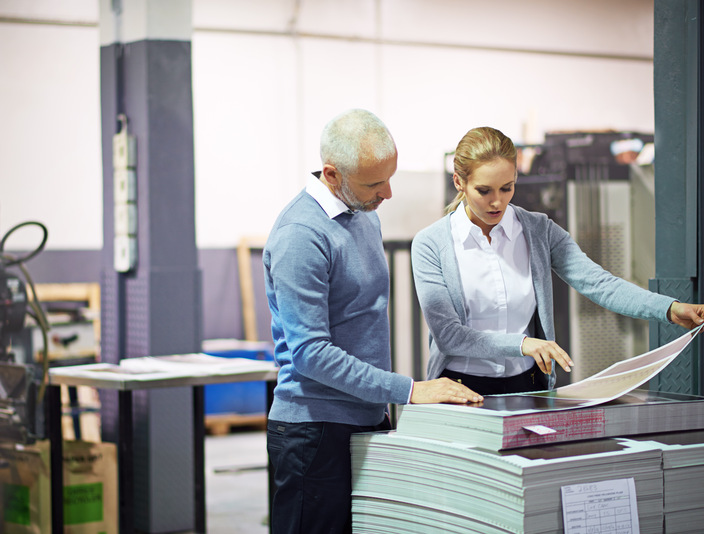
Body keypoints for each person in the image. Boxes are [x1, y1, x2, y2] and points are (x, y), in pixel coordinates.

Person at [262, 109, 483, 534]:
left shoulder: (362, 211)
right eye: (374, 183)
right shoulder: (300, 236)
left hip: (366, 417)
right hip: (314, 432)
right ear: (331, 174)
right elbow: (311, 355)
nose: (388, 193)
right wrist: (410, 390)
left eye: (389, 177)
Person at [411, 126, 704, 395]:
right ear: (459, 182)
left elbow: (599, 283)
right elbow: (448, 335)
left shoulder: (539, 230)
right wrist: (522, 344)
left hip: (526, 385)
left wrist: (668, 308)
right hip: (459, 388)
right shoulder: (430, 244)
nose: (497, 202)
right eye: (484, 191)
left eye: (507, 187)